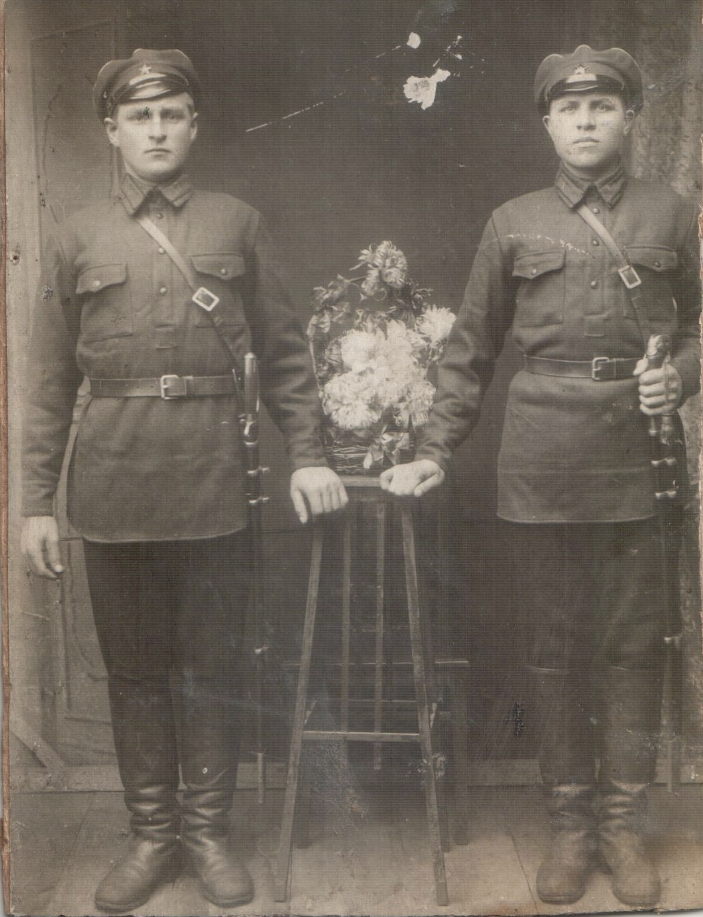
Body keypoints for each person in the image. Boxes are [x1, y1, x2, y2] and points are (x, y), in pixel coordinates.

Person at [20, 49, 348, 912]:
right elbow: (47, 381)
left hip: (213, 482)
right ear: (112, 131)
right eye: (140, 117)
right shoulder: (77, 236)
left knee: (210, 664)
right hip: (113, 483)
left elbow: (286, 356)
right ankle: (151, 835)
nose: (157, 130)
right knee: (134, 672)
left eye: (171, 114)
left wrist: (309, 452)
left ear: (194, 126)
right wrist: (33, 503)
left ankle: (206, 833)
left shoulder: (236, 224)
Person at [381, 45, 700, 908]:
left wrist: (681, 376)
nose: (585, 120)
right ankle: (568, 825)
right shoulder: (511, 222)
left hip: (637, 457)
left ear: (629, 116)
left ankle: (622, 827)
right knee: (554, 649)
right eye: (568, 108)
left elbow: (699, 327)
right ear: (547, 122)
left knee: (633, 647)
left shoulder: (671, 214)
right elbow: (469, 350)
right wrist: (434, 448)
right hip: (541, 461)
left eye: (602, 105)